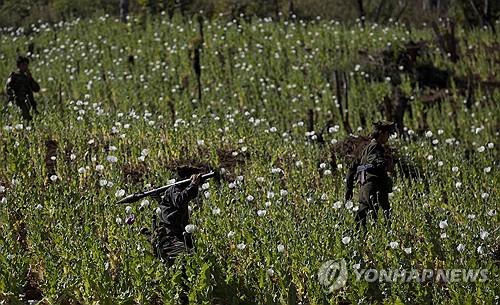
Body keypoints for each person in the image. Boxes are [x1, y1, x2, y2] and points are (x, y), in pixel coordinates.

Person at [345, 121, 396, 229]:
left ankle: (357, 239)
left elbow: (351, 168)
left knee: (361, 219)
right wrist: (384, 162)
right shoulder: (375, 148)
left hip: (364, 188)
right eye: (388, 134)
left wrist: (348, 189)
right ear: (381, 133)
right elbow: (374, 161)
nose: (388, 137)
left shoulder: (365, 149)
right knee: (383, 216)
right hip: (375, 188)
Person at [150, 170, 203, 266]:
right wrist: (193, 185)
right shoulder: (174, 189)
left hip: (178, 234)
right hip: (170, 237)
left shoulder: (171, 192)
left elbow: (169, 208)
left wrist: (158, 198)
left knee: (189, 259)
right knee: (183, 260)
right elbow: (179, 200)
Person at [5, 56, 40, 121]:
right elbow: (8, 89)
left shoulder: (27, 77)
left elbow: (36, 89)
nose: (25, 67)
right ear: (19, 66)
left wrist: (30, 78)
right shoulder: (14, 76)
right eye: (23, 65)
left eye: (26, 65)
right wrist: (14, 99)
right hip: (19, 103)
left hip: (29, 103)